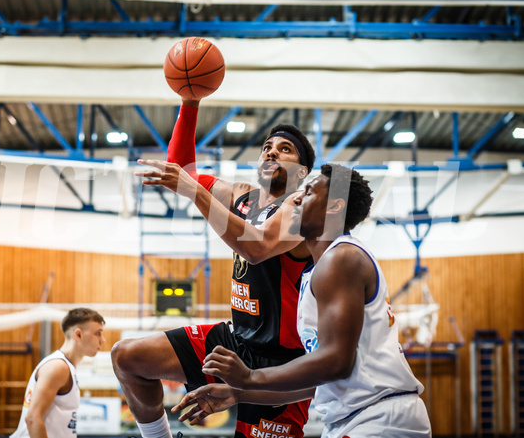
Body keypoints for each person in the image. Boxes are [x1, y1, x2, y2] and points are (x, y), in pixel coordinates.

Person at [172, 164, 432, 438]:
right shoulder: (318, 271)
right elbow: (324, 379)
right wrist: (240, 394)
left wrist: (250, 377)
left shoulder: (341, 259)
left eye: (308, 192)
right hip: (355, 417)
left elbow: (336, 363)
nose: (294, 198)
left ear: (334, 206)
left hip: (379, 418)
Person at [111, 97, 316, 438]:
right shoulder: (242, 196)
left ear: (303, 172)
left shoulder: (302, 207)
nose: (271, 152)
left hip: (284, 363)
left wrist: (198, 195)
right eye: (267, 147)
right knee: (127, 357)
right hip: (235, 340)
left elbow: (257, 247)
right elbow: (182, 170)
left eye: (285, 149)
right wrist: (190, 101)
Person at [10, 307, 106, 438]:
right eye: (98, 333)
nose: (103, 340)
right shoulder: (58, 367)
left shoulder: (67, 367)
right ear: (78, 334)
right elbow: (32, 418)